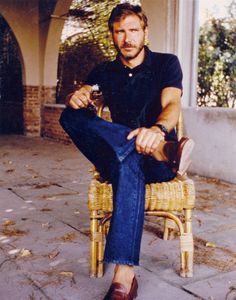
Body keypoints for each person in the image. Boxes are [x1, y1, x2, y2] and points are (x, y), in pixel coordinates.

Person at [60, 3, 194, 300]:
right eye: (120, 31)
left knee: (127, 163)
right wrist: (79, 97)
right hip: (141, 153)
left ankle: (124, 277)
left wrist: (157, 131)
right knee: (69, 115)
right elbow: (89, 106)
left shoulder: (166, 63)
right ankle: (160, 149)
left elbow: (172, 105)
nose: (127, 37)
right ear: (112, 36)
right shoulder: (103, 71)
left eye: (133, 30)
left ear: (145, 32)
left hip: (156, 164)